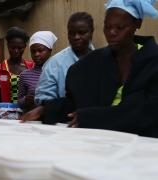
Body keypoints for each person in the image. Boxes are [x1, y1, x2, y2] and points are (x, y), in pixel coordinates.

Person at [59, 0, 158, 138]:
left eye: (120, 27)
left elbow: (148, 112)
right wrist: (46, 109)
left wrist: (93, 117)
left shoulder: (153, 62)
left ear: (138, 24)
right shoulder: (91, 63)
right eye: (107, 27)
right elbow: (75, 103)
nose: (112, 33)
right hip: (101, 144)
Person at [21, 12, 94, 122]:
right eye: (72, 33)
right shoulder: (54, 64)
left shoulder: (101, 60)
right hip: (64, 126)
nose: (76, 37)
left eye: (82, 32)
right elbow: (44, 102)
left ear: (91, 32)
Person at [0, 26, 34, 103]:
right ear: (8, 45)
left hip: (27, 112)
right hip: (6, 112)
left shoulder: (31, 67)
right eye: (13, 47)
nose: (16, 51)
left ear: (25, 47)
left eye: (20, 48)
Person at [18, 31, 57, 112]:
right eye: (33, 51)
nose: (36, 54)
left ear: (50, 50)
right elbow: (18, 102)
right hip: (31, 121)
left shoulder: (57, 72)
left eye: (40, 50)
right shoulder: (25, 75)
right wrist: (26, 100)